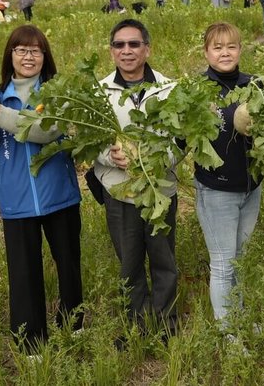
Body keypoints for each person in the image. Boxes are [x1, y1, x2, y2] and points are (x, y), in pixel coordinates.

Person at [0, 25, 83, 358]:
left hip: (59, 194)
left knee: (67, 263)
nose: (28, 56)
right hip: (17, 197)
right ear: (10, 55)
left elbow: (44, 131)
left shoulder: (55, 92)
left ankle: (74, 323)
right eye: (21, 50)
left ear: (45, 56)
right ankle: (30, 343)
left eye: (35, 50)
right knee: (23, 272)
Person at [94, 19, 180, 343]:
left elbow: (182, 140)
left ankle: (165, 325)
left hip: (160, 190)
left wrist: (158, 161)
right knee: (129, 262)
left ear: (147, 49)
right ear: (112, 51)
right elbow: (91, 138)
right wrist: (108, 155)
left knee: (163, 259)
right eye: (119, 45)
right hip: (120, 191)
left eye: (134, 44)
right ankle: (138, 325)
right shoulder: (100, 91)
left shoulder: (169, 88)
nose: (127, 51)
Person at [194, 22, 263, 329]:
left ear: (240, 49)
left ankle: (242, 318)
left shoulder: (254, 84)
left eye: (231, 46)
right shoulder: (197, 90)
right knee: (223, 264)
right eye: (217, 47)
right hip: (216, 189)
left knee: (241, 261)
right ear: (206, 52)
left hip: (250, 186)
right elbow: (180, 139)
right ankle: (228, 334)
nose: (225, 53)